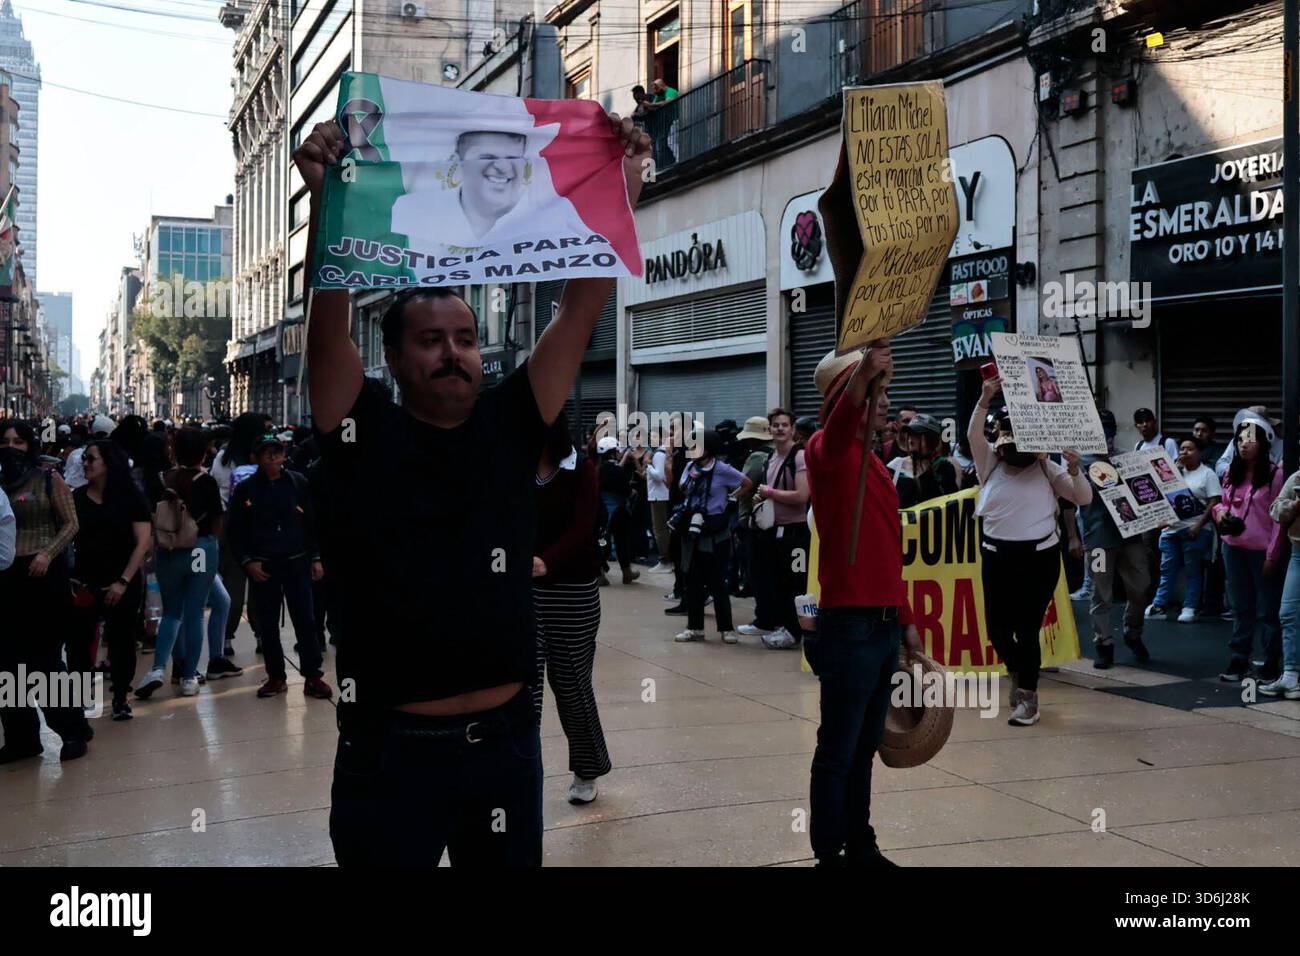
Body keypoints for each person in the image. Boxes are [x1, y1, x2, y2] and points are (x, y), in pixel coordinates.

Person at [296, 111, 650, 866]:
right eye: (429, 341)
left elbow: (581, 306)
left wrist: (623, 192)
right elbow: (325, 334)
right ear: (391, 358)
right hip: (390, 753)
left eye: (462, 338)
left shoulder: (512, 420)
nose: (452, 353)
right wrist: (326, 204)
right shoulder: (359, 432)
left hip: (505, 749)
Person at [803, 344, 921, 867]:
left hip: (884, 626)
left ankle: (862, 846)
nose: (887, 404)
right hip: (848, 627)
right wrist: (863, 375)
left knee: (866, 746)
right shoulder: (824, 453)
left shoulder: (876, 465)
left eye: (886, 392)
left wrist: (908, 620)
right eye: (879, 393)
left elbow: (888, 552)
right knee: (838, 749)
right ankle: (830, 855)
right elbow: (840, 421)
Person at [971, 377, 1091, 725]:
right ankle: (1019, 670)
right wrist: (984, 398)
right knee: (996, 630)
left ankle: (1028, 697)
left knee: (1025, 629)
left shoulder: (1046, 467)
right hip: (996, 557)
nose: (1015, 451)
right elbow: (972, 435)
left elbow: (1081, 497)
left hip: (1039, 559)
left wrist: (1073, 468)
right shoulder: (989, 464)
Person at [0, 421, 91, 763]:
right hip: (5, 579)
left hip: (42, 576)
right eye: (5, 441)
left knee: (45, 662)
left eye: (19, 441)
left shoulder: (48, 477)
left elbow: (72, 523)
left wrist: (47, 554)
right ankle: (22, 738)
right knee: (6, 662)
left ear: (31, 445)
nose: (11, 447)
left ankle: (72, 730)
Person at [532, 414, 611, 804]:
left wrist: (547, 561)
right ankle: (519, 774)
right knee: (523, 685)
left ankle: (587, 769)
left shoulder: (582, 469)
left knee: (571, 683)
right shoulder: (512, 466)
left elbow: (583, 527)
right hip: (522, 589)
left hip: (572, 589)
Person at [228, 433, 333, 701]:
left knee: (306, 621)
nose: (273, 457)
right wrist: (247, 562)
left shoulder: (298, 483)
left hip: (297, 563)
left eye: (277, 451)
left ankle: (313, 676)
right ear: (256, 458)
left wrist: (316, 558)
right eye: (267, 453)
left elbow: (312, 524)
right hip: (264, 567)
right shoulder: (246, 490)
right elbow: (235, 532)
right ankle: (276, 676)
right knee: (268, 624)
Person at [136, 427, 228, 699]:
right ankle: (189, 677)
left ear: (173, 450)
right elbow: (217, 520)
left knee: (171, 613)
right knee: (195, 613)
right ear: (203, 451)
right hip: (200, 548)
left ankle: (157, 668)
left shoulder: (161, 479)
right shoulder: (205, 480)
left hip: (168, 550)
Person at [67, 440, 152, 720]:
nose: (86, 464)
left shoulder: (131, 497)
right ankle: (80, 701)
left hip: (122, 581)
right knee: (80, 644)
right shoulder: (76, 499)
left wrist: (123, 581)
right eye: (85, 460)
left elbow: (142, 543)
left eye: (92, 459)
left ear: (108, 463)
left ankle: (120, 697)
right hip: (84, 584)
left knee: (122, 641)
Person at [1212, 419, 1286, 683]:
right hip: (1233, 547)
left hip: (1261, 550)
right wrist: (1219, 514)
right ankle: (1238, 658)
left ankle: (1270, 661)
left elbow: (1279, 518)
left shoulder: (1275, 474)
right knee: (1240, 606)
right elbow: (1221, 503)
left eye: (1251, 440)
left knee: (1267, 608)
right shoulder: (1232, 472)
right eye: (1240, 440)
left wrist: (1272, 554)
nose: (1244, 445)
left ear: (1264, 443)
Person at [1079, 410, 1151, 668]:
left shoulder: (1127, 458)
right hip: (1098, 538)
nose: (1105, 432)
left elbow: (1146, 493)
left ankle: (1133, 631)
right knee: (1101, 592)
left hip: (1130, 535)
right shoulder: (1080, 462)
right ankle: (1104, 642)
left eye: (1108, 427)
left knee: (1141, 587)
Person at [673, 429, 752, 643]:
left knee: (717, 582)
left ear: (709, 450)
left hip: (716, 532)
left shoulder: (723, 469)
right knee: (692, 581)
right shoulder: (690, 467)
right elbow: (681, 488)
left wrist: (729, 499)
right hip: (693, 530)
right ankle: (694, 628)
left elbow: (746, 483)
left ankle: (726, 628)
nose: (691, 450)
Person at [751, 408, 809, 650]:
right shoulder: (770, 458)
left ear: (793, 429)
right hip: (775, 531)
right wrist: (761, 499)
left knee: (798, 583)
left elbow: (802, 495)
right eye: (776, 425)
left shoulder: (800, 457)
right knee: (779, 582)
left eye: (785, 425)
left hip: (796, 531)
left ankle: (798, 631)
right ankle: (785, 626)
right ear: (770, 429)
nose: (780, 429)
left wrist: (769, 493)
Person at [211, 411, 267, 657]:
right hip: (259, 525)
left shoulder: (223, 458)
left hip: (229, 525)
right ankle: (261, 634)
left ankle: (227, 638)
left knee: (233, 583)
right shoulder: (262, 459)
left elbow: (215, 491)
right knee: (261, 581)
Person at [1148, 438, 1221, 624]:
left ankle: (1189, 606)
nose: (1184, 452)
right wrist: (1173, 472)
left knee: (1193, 569)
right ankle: (1159, 604)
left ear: (1199, 452)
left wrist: (1198, 525)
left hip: (1195, 527)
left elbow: (1214, 502)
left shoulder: (1208, 474)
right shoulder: (1172, 473)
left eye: (1190, 449)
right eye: (1182, 449)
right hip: (1171, 529)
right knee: (1167, 568)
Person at [1264, 466, 1300, 698]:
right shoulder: (1297, 477)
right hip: (1298, 552)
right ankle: (1290, 675)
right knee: (1288, 612)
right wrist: (1295, 505)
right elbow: (1275, 510)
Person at [731, 415, 772, 605]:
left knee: (750, 557)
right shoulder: (776, 452)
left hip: (753, 514)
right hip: (771, 514)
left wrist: (730, 498)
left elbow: (745, 483)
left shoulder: (757, 456)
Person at [596, 437, 640, 585]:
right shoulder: (617, 470)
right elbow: (627, 491)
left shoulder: (597, 470)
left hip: (602, 512)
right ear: (612, 453)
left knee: (602, 542)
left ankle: (600, 574)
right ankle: (627, 573)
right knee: (621, 542)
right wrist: (633, 492)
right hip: (620, 511)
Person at [893, 413, 958, 508]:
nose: (910, 439)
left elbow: (952, 504)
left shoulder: (944, 467)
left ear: (931, 440)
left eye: (916, 435)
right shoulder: (895, 467)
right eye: (909, 434)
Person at [645, 430, 673, 573]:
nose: (652, 439)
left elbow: (659, 476)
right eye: (651, 436)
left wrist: (648, 466)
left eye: (655, 436)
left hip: (658, 495)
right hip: (659, 495)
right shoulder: (662, 454)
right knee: (661, 528)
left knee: (660, 529)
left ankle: (664, 560)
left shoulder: (658, 454)